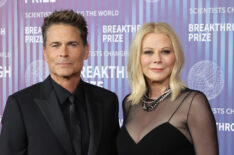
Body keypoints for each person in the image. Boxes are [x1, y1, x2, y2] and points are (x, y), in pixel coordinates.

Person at [0, 10, 119, 155]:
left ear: (86, 50)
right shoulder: (20, 105)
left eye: (72, 44)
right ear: (45, 53)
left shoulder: (107, 101)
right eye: (55, 45)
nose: (63, 53)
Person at [116, 22, 218, 155]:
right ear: (137, 58)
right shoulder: (129, 103)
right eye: (148, 52)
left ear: (176, 57)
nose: (157, 59)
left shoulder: (193, 103)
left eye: (165, 51)